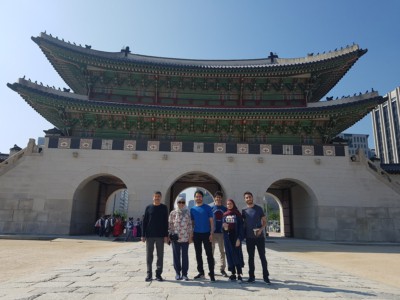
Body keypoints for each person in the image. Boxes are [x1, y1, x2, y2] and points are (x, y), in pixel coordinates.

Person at [242, 191, 271, 284]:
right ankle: (251, 277)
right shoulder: (244, 211)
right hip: (249, 238)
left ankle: (266, 277)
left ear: (252, 198)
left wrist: (260, 230)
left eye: (249, 197)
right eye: (246, 197)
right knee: (251, 257)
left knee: (262, 257)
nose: (248, 199)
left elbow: (265, 222)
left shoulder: (259, 209)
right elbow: (242, 224)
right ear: (244, 199)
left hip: (259, 238)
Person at [141, 191, 169, 282]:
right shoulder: (148, 208)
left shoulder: (164, 208)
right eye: (155, 196)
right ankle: (149, 274)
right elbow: (144, 222)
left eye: (158, 196)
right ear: (153, 197)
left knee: (160, 256)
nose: (157, 198)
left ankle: (158, 274)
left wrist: (166, 235)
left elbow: (166, 222)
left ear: (160, 198)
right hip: (149, 235)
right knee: (149, 255)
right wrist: (143, 235)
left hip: (160, 236)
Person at [190, 190, 216, 282]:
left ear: (202, 197)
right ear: (194, 198)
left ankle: (212, 273)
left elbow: (211, 222)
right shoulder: (192, 209)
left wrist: (211, 233)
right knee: (198, 254)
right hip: (197, 234)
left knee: (209, 254)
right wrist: (192, 234)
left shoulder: (208, 208)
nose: (198, 198)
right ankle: (201, 272)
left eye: (200, 196)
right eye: (196, 196)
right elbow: (192, 223)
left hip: (206, 234)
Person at [168, 197, 193, 281]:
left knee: (185, 256)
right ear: (177, 203)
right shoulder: (173, 213)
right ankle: (178, 273)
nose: (181, 204)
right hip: (175, 238)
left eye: (183, 202)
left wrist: (190, 237)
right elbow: (170, 225)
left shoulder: (188, 213)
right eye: (179, 202)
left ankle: (185, 274)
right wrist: (170, 236)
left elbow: (190, 226)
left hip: (185, 238)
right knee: (176, 256)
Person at [222, 199, 245, 282]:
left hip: (236, 237)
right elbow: (223, 228)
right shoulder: (225, 215)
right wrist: (225, 228)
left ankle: (239, 273)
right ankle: (232, 273)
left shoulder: (238, 215)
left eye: (230, 203)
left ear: (233, 204)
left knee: (237, 255)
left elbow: (241, 228)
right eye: (227, 204)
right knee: (229, 255)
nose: (229, 205)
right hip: (228, 238)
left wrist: (239, 238)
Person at [211, 191, 228, 277]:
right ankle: (211, 268)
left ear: (221, 198)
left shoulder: (225, 209)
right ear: (214, 198)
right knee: (211, 251)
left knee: (222, 251)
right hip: (213, 233)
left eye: (219, 197)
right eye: (216, 197)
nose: (218, 198)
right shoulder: (211, 208)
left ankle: (222, 269)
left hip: (221, 233)